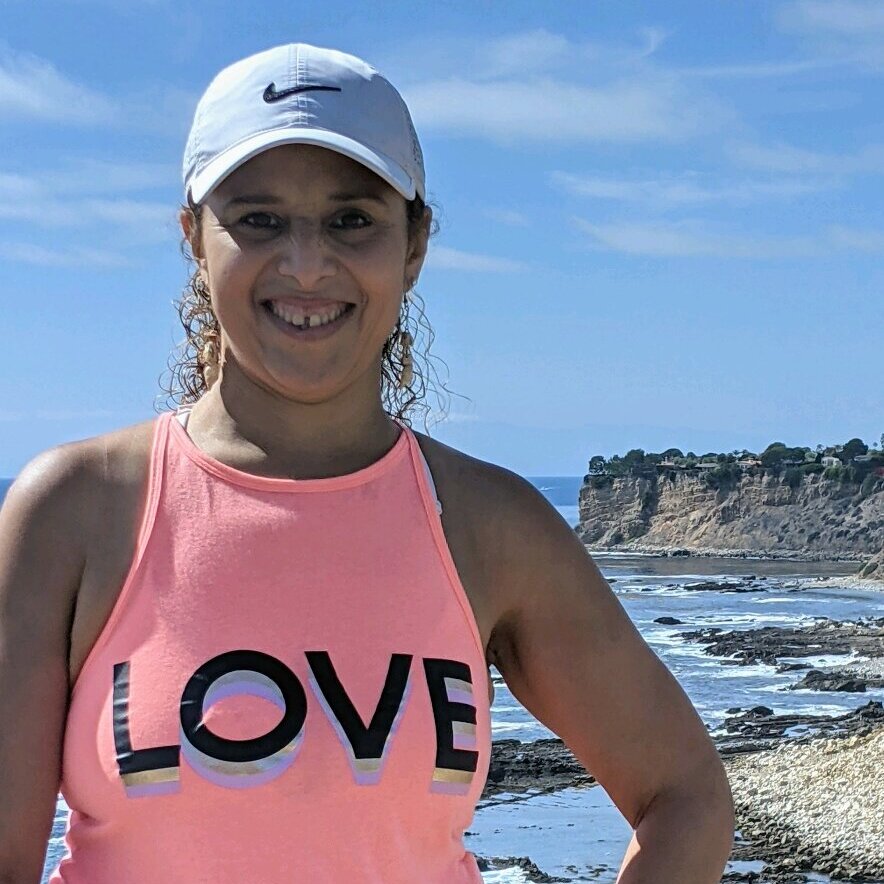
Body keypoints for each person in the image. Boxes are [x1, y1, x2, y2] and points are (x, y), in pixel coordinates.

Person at [0, 43, 734, 883]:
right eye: (258, 219)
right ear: (194, 238)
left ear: (414, 243)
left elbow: (685, 796)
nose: (306, 264)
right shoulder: (76, 512)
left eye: (352, 220)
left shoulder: (490, 526)